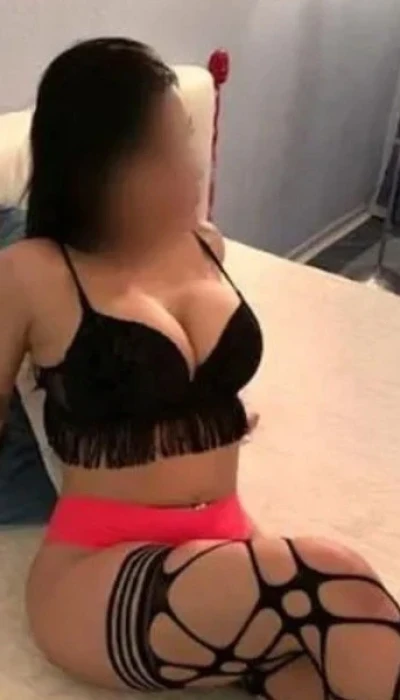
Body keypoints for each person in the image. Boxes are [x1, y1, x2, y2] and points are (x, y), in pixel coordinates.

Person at [0, 37, 399, 700]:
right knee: (333, 581)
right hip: (97, 571)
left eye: (184, 141)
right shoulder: (31, 272)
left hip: (225, 542)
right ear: (95, 164)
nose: (189, 170)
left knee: (337, 669)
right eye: (159, 154)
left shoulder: (205, 245)